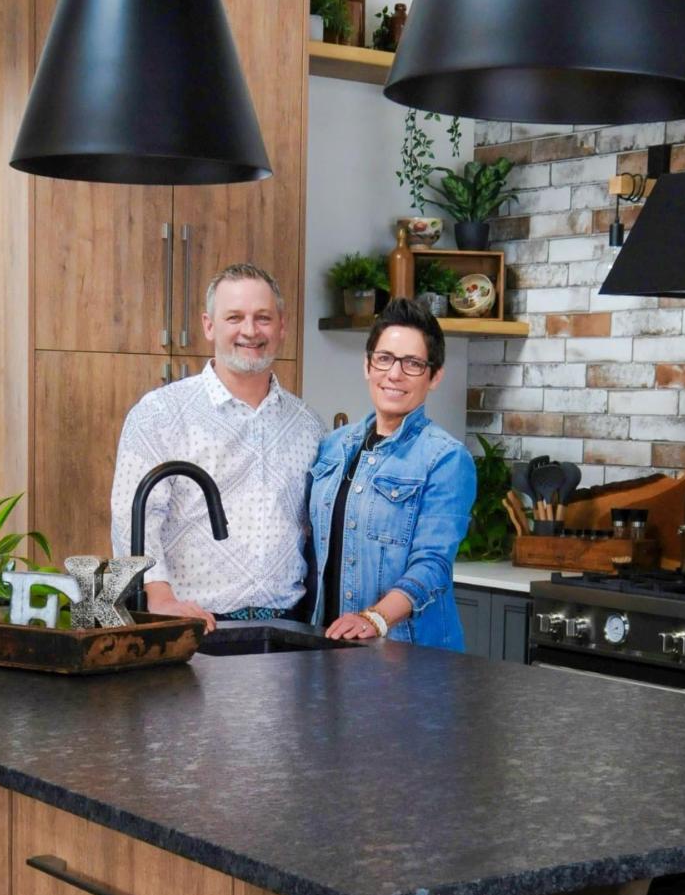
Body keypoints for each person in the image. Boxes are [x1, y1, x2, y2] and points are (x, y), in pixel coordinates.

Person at [111, 264, 324, 631]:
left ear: (282, 326)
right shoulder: (160, 413)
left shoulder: (308, 425)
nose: (250, 331)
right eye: (234, 317)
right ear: (209, 325)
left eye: (263, 318)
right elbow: (132, 520)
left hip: (290, 629)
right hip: (194, 625)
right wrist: (161, 599)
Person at [309, 298, 476, 650]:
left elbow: (432, 566)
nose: (395, 374)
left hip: (410, 655)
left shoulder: (445, 459)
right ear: (367, 366)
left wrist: (374, 618)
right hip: (332, 647)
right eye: (384, 359)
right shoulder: (333, 446)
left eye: (413, 363)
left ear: (435, 376)